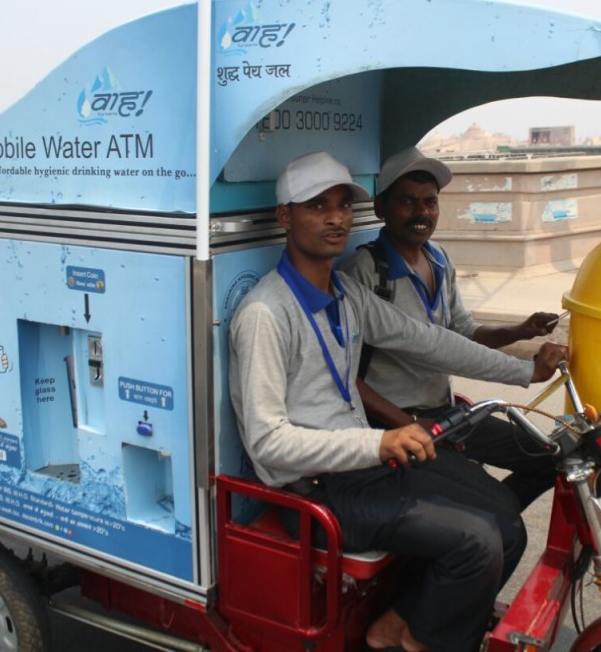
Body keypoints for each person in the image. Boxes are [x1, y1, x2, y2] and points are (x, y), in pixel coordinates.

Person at [228, 151, 569, 652]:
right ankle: (415, 635)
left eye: (344, 205)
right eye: (317, 205)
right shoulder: (265, 313)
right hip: (323, 489)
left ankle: (408, 626)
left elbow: (432, 341)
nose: (335, 218)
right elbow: (267, 443)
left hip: (369, 467)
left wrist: (524, 371)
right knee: (476, 542)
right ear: (285, 216)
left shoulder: (345, 292)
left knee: (506, 523)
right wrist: (379, 442)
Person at [340, 146, 559, 509]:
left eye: (430, 202)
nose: (421, 212)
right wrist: (409, 422)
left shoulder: (438, 258)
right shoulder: (362, 273)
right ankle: (492, 529)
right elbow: (345, 377)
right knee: (493, 506)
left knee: (549, 458)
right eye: (407, 202)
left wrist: (520, 330)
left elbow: (462, 332)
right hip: (394, 423)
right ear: (381, 208)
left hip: (445, 413)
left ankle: (497, 527)